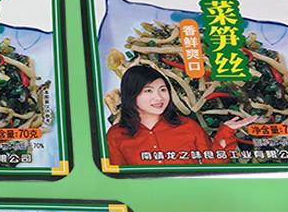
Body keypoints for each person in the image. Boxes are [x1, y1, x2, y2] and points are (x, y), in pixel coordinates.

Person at [106, 65, 256, 166]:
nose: (159, 98)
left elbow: (211, 163)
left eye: (163, 90)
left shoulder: (187, 125)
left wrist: (226, 131)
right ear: (132, 94)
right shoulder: (116, 135)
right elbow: (116, 180)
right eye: (148, 91)